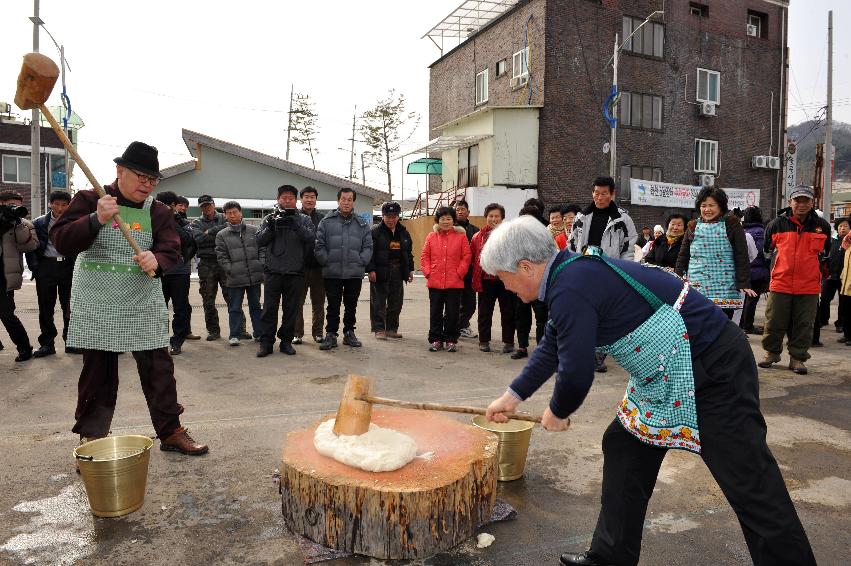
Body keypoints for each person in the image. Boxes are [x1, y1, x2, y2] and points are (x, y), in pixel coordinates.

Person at [481, 216, 816, 566]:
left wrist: (559, 410)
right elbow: (553, 344)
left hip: (713, 367)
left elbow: (577, 371)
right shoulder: (571, 273)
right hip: (664, 372)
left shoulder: (571, 285)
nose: (506, 287)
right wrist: (512, 396)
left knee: (751, 482)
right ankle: (610, 557)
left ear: (525, 266)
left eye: (504, 278)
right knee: (623, 445)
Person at [51, 141, 207, 455]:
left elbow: (172, 248)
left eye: (153, 180)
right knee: (98, 373)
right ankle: (92, 437)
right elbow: (61, 242)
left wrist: (158, 260)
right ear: (120, 171)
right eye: (141, 177)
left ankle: (171, 431)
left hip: (141, 301)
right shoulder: (91, 199)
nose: (147, 185)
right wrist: (95, 219)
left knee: (159, 369)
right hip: (98, 301)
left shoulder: (159, 211)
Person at [758, 186, 831, 374]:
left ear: (812, 203)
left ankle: (798, 358)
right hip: (780, 283)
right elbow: (766, 251)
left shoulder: (822, 226)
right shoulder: (776, 224)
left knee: (804, 324)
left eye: (805, 201)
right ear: (790, 202)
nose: (801, 204)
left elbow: (826, 254)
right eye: (797, 200)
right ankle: (771, 353)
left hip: (809, 286)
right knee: (774, 321)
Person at [569, 176, 638, 372]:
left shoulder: (622, 218)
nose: (599, 197)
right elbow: (572, 244)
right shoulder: (581, 217)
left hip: (610, 271)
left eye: (604, 194)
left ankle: (599, 356)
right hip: (584, 271)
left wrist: (624, 272)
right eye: (596, 193)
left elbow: (629, 247)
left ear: (612, 194)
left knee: (605, 315)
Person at [675, 187, 754, 319]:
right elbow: (683, 256)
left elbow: (741, 256)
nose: (707, 209)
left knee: (721, 325)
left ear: (721, 206)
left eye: (712, 205)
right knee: (698, 323)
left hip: (725, 287)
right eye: (703, 205)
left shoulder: (732, 224)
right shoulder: (692, 226)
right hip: (697, 285)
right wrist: (677, 279)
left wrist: (744, 283)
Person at [255, 185, 316, 357]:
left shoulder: (303, 219)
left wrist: (295, 225)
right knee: (269, 309)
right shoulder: (269, 218)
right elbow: (259, 240)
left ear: (295, 200)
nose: (287, 200)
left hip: (295, 272)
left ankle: (286, 342)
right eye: (284, 197)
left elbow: (311, 238)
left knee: (291, 309)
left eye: (290, 198)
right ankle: (266, 343)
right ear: (278, 199)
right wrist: (272, 227)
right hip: (273, 271)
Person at [315, 188, 372, 350]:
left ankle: (349, 333)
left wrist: (361, 261)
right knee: (333, 305)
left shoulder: (361, 223)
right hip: (332, 272)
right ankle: (331, 334)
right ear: (338, 201)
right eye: (343, 199)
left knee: (351, 305)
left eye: (349, 199)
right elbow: (319, 246)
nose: (346, 202)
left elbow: (368, 246)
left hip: (354, 272)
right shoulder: (326, 222)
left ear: (353, 202)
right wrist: (326, 261)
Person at [28, 190, 81, 357]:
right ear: (50, 204)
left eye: (64, 205)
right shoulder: (38, 223)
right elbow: (31, 247)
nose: (60, 208)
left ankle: (71, 341)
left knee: (70, 307)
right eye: (56, 204)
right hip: (46, 267)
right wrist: (36, 268)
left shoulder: (74, 222)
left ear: (69, 205)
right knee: (46, 307)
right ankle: (47, 344)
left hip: (68, 266)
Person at [421, 206, 471, 352]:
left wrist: (460, 272)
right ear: (438, 220)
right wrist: (428, 272)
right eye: (442, 218)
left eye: (449, 218)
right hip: (435, 282)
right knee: (435, 311)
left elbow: (466, 257)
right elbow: (425, 256)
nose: (446, 221)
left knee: (452, 312)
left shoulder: (461, 237)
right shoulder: (431, 236)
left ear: (453, 220)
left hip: (454, 282)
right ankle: (436, 339)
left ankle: (450, 339)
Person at [192, 194, 240, 341]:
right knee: (208, 299)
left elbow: (231, 228)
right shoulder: (196, 223)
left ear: (213, 204)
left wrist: (210, 232)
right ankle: (213, 330)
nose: (207, 208)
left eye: (208, 205)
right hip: (207, 263)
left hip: (225, 262)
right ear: (200, 208)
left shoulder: (224, 217)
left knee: (232, 297)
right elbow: (198, 239)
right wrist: (219, 234)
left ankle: (240, 329)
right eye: (203, 206)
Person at [216, 201, 264, 348]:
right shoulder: (222, 235)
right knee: (235, 307)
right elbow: (221, 256)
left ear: (240, 212)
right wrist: (230, 269)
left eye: (235, 212)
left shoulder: (254, 230)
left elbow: (262, 249)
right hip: (235, 278)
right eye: (229, 213)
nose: (232, 215)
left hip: (254, 276)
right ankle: (234, 335)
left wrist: (260, 264)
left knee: (256, 306)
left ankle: (259, 333)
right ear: (225, 216)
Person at [155, 191, 197, 355]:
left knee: (180, 307)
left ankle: (177, 340)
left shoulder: (183, 222)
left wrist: (172, 221)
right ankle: (159, 340)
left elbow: (186, 240)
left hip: (179, 271)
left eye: (169, 206)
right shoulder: (152, 221)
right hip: (158, 271)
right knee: (159, 308)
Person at [471, 203, 515, 353]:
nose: (493, 219)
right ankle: (484, 341)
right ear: (486, 217)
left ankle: (508, 342)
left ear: (502, 218)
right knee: (484, 312)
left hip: (505, 280)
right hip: (485, 280)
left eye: (497, 216)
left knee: (508, 311)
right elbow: (473, 259)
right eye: (491, 216)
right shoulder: (477, 237)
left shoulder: (510, 236)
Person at [367, 201, 414, 340]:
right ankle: (379, 329)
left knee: (396, 301)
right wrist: (370, 270)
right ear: (383, 216)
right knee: (378, 301)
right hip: (380, 270)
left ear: (398, 217)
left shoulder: (404, 232)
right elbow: (369, 252)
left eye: (394, 216)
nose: (391, 219)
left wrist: (410, 270)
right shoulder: (375, 232)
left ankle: (392, 328)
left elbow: (408, 253)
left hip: (398, 270)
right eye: (388, 216)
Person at [0, 190, 38, 361]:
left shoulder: (23, 223)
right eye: (10, 206)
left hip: (5, 276)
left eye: (17, 206)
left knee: (7, 315)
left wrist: (17, 224)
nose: (14, 208)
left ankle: (24, 348)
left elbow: (29, 246)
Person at [513, 204, 549, 360]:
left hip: (539, 284)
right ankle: (522, 347)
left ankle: (542, 350)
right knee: (521, 316)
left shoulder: (545, 237)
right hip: (521, 283)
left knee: (542, 318)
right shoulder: (515, 238)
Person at [293, 186, 325, 344]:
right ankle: (297, 333)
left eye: (312, 197)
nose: (309, 199)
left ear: (316, 199)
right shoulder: (295, 217)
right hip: (300, 267)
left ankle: (318, 333)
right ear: (301, 199)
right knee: (297, 302)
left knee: (319, 302)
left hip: (319, 267)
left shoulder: (323, 218)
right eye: (306, 197)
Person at [815, 217, 849, 337]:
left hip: (844, 278)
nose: (842, 228)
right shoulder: (832, 240)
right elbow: (825, 257)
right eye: (840, 226)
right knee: (824, 298)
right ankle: (823, 320)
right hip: (830, 276)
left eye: (845, 226)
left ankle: (840, 323)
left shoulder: (849, 241)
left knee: (843, 302)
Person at [739, 207, 770, 335]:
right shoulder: (761, 232)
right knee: (752, 300)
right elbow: (764, 252)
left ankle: (742, 324)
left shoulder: (741, 230)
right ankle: (748, 325)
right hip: (757, 272)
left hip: (743, 271)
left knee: (743, 300)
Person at [452, 199, 480, 339]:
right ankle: (453, 327)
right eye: (457, 209)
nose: (460, 211)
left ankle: (461, 326)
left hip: (469, 273)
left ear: (468, 212)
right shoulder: (448, 229)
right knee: (453, 303)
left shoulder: (475, 231)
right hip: (453, 273)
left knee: (470, 304)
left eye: (463, 209)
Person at [838, 230, 851, 346]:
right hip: (846, 284)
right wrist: (842, 276)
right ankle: (847, 335)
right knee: (846, 311)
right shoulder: (848, 246)